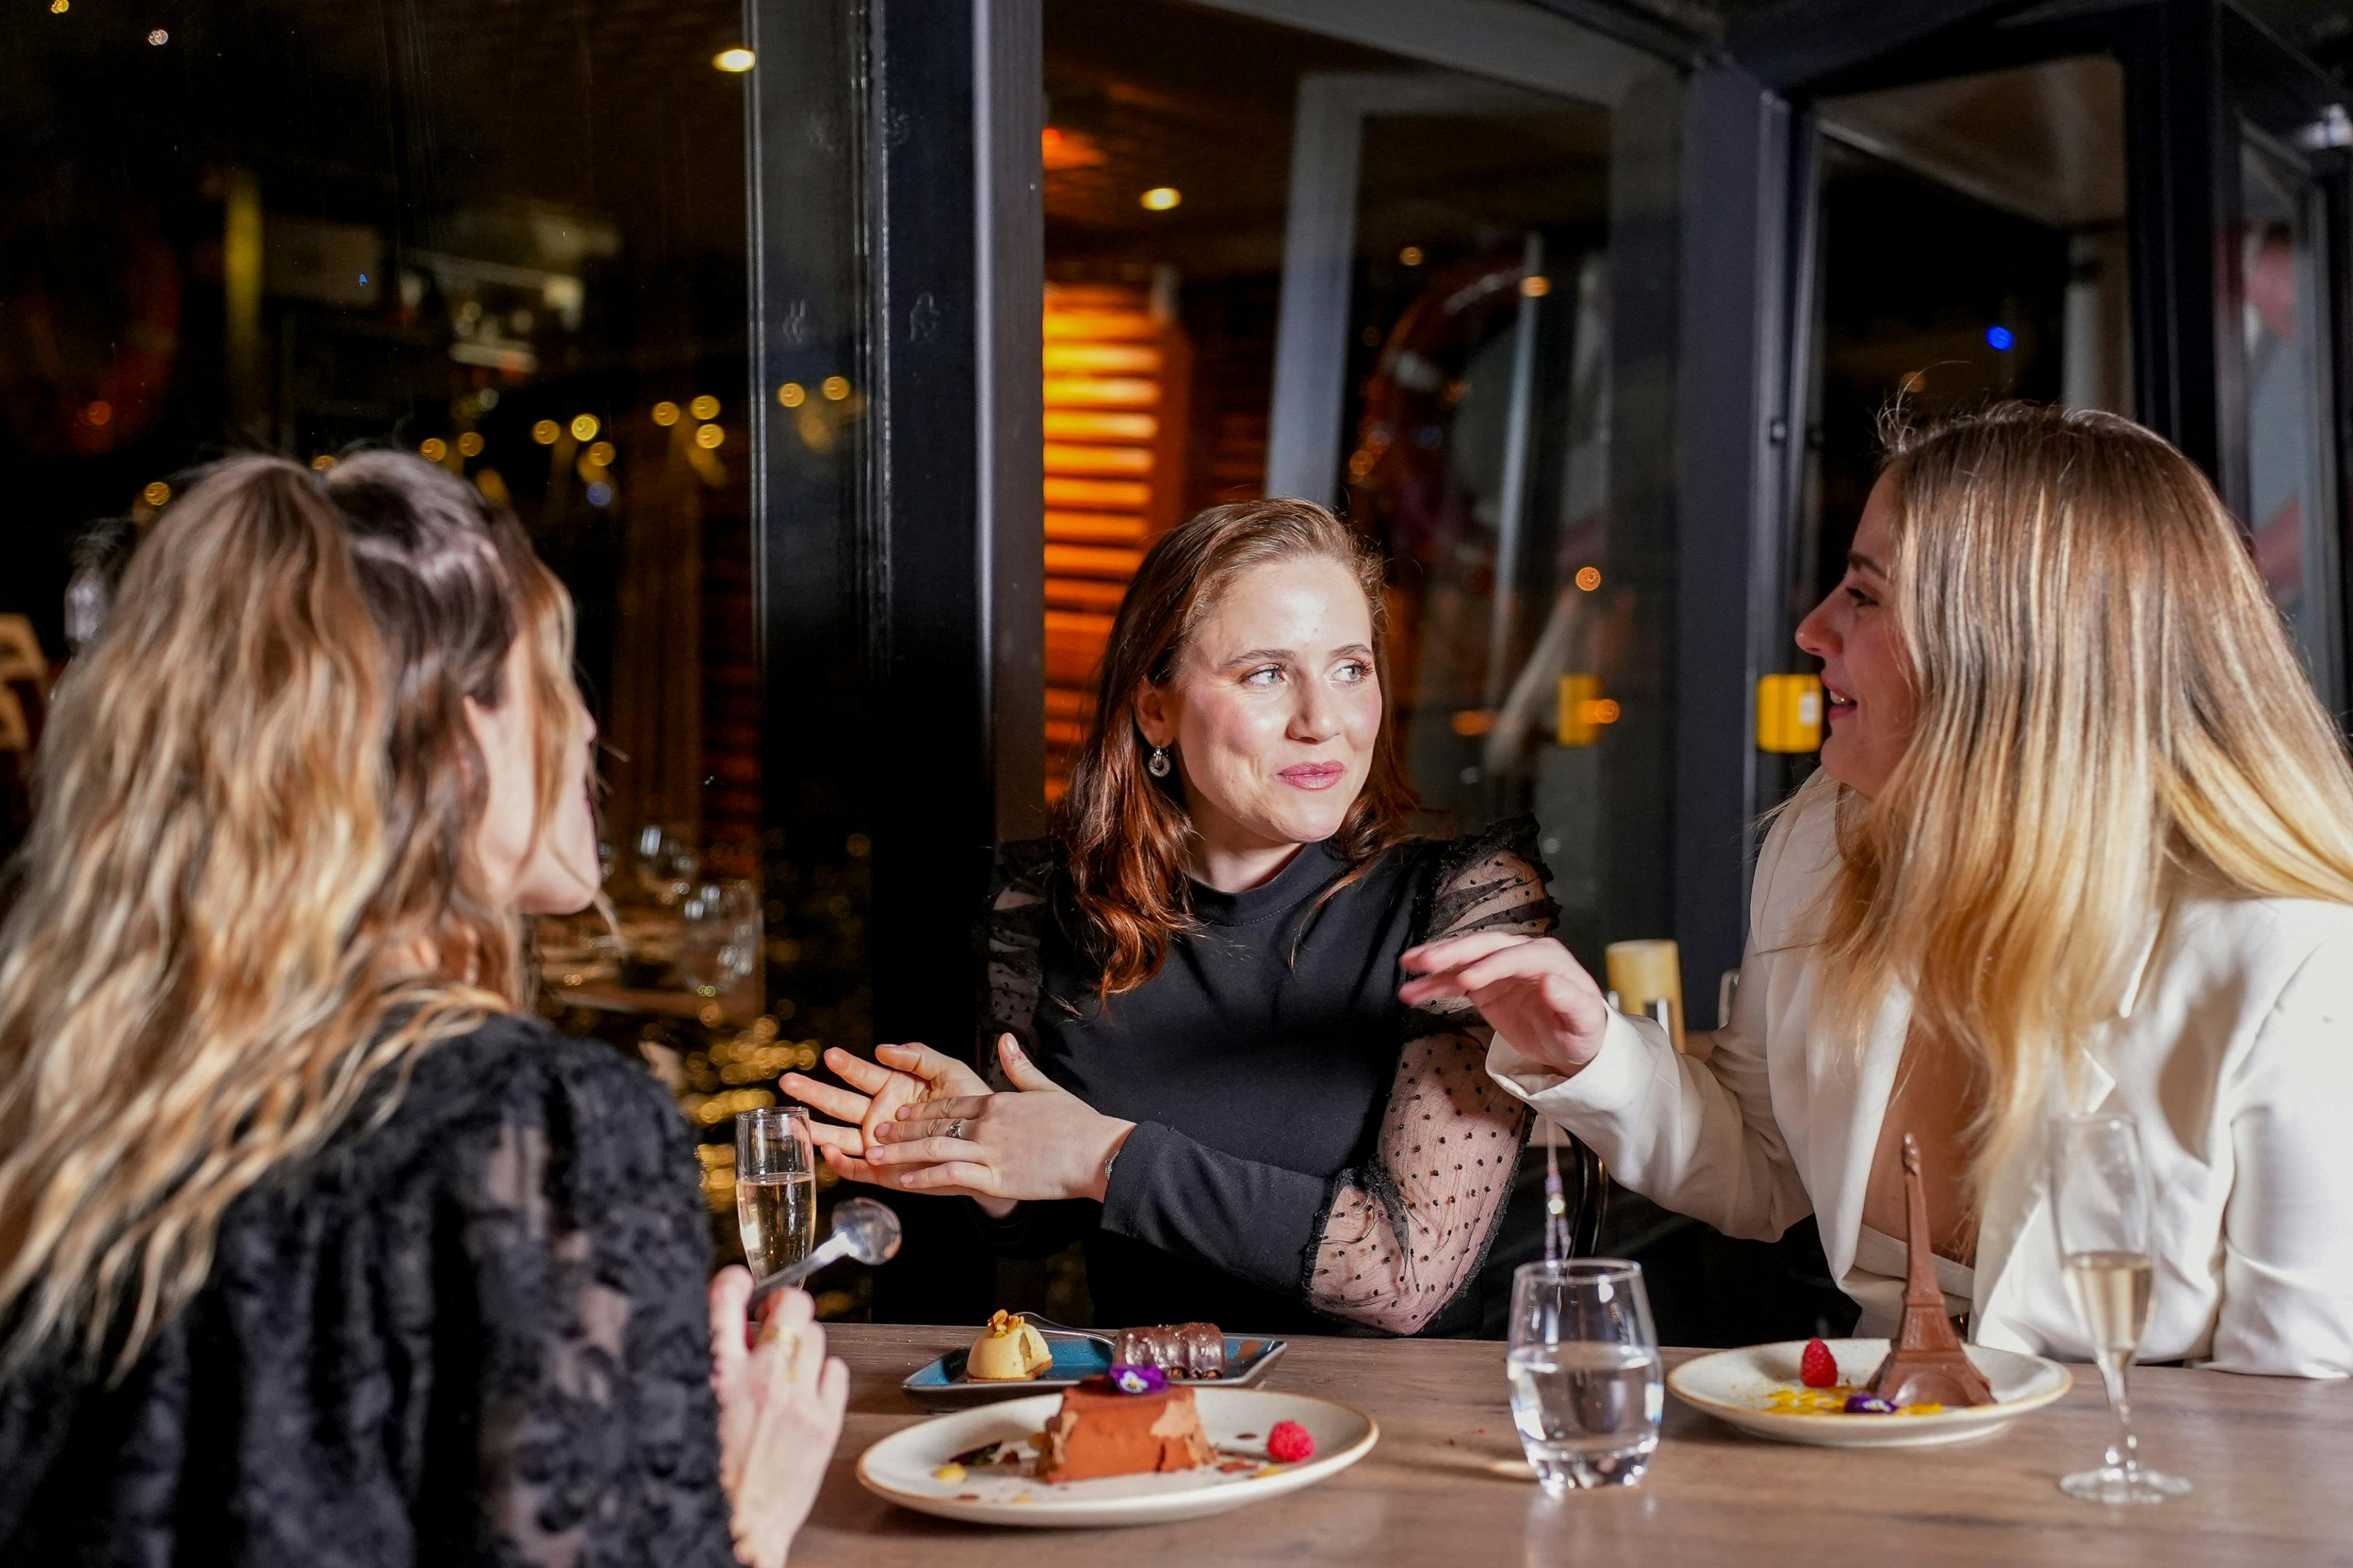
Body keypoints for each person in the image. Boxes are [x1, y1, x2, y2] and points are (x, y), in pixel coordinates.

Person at [0, 453, 846, 1563]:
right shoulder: (538, 1130)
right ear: (457, 739)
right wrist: (743, 1510)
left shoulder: (65, 1097)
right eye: (553, 682)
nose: (590, 730)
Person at [1406, 403, 2353, 1376]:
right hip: (1876, 1444)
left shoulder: (2291, 959)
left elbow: (2299, 1411)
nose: (1814, 628)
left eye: (1865, 594)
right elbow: (1762, 1164)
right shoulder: (1831, 838)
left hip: (2147, 1500)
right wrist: (1592, 1049)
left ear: (2011, 649)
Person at [784, 499, 1553, 1335]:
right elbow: (1051, 1223)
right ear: (1155, 707)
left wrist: (1106, 1156)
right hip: (1155, 1424)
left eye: (1350, 668)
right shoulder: (1043, 906)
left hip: (1404, 1443)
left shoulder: (1463, 904)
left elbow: (1407, 1271)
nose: (1322, 720)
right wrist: (988, 1149)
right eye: (1266, 673)